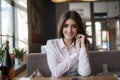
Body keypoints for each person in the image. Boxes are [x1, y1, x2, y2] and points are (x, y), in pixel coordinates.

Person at [46, 10, 91, 77]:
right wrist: (76, 55)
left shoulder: (81, 45)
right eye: (66, 26)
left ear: (78, 28)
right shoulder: (51, 44)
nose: (69, 30)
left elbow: (84, 73)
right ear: (61, 26)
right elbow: (55, 73)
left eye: (74, 26)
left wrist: (82, 48)